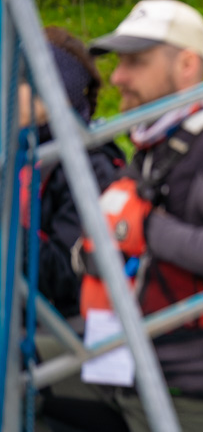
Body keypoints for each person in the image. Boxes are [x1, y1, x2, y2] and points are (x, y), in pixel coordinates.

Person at [39, 0, 203, 432]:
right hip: (128, 352)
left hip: (184, 381)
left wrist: (147, 229)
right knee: (17, 365)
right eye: (120, 63)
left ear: (187, 65)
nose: (118, 77)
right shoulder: (152, 143)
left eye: (136, 62)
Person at [18, 26, 125, 319]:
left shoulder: (90, 166)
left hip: (61, 331)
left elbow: (68, 276)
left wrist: (8, 227)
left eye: (21, 81)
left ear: (58, 97)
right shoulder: (20, 150)